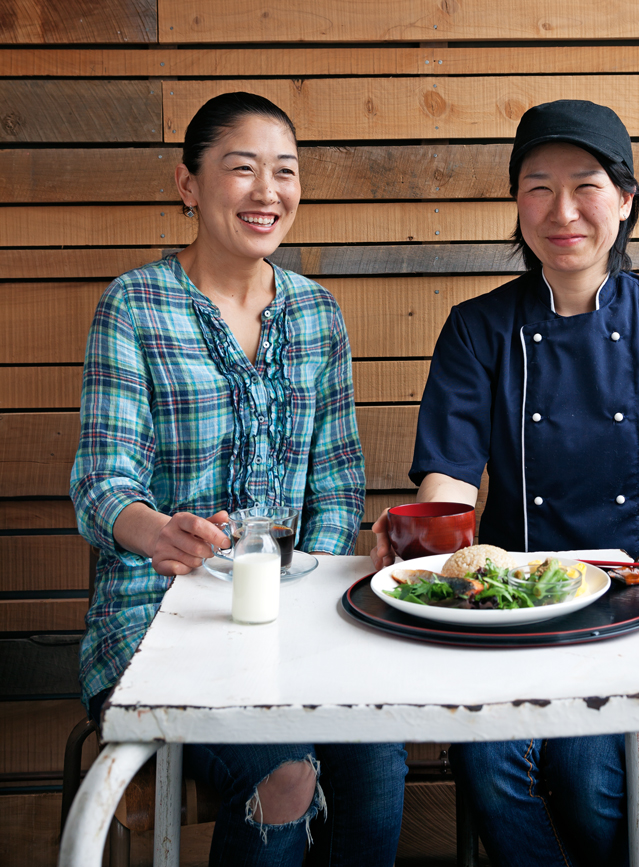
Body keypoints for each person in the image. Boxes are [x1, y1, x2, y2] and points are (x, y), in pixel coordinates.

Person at [371, 99, 639, 866]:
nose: (563, 211)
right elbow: (449, 482)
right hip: (514, 615)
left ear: (624, 199)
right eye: (537, 187)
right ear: (517, 204)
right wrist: (427, 554)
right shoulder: (477, 328)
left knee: (588, 772)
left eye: (585, 185)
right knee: (485, 759)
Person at [71, 91, 407, 867]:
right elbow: (101, 481)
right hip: (158, 624)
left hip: (297, 626)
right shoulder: (135, 306)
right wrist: (155, 529)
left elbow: (338, 487)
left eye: (284, 172)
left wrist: (308, 597)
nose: (268, 192)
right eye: (243, 169)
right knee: (283, 770)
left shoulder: (319, 316)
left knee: (379, 759)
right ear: (189, 185)